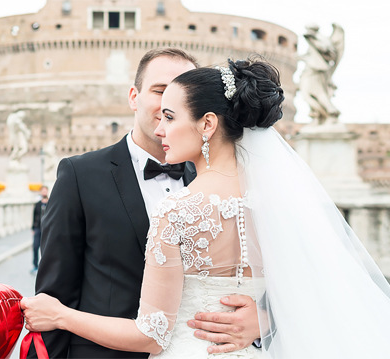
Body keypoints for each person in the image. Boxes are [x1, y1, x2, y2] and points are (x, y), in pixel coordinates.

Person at [22, 58, 390, 357]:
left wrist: (267, 318)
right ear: (134, 95)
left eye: (171, 117)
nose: (161, 128)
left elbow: (152, 334)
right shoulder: (278, 199)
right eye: (160, 106)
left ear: (207, 124)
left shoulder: (176, 210)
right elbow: (329, 284)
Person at [30, 48, 262, 358]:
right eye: (160, 91)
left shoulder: (228, 188)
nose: (170, 103)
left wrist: (263, 318)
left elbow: (293, 278)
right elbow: (53, 299)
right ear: (133, 96)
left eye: (181, 94)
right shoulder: (79, 175)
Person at [30, 186, 48, 275]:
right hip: (37, 228)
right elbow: (34, 216)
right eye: (42, 191)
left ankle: (44, 267)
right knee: (35, 247)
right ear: (41, 192)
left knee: (45, 248)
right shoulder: (37, 204)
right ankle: (35, 266)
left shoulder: (51, 203)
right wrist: (33, 228)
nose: (44, 192)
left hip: (47, 229)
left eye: (45, 191)